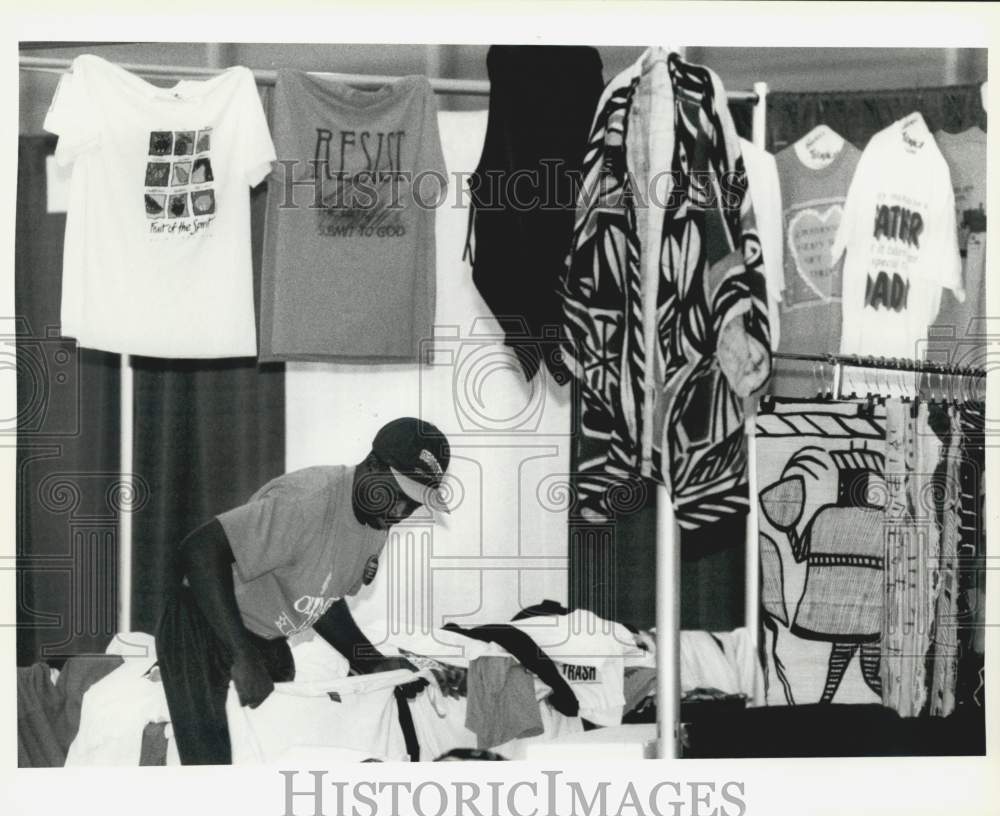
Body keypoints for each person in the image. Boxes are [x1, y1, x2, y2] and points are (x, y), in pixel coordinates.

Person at [156, 416, 453, 765]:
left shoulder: (377, 517)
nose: (402, 511)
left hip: (266, 638)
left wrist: (369, 661)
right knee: (212, 771)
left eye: (414, 504)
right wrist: (242, 656)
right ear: (373, 465)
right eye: (400, 495)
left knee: (276, 760)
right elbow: (198, 550)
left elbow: (321, 595)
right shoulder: (306, 503)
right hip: (205, 624)